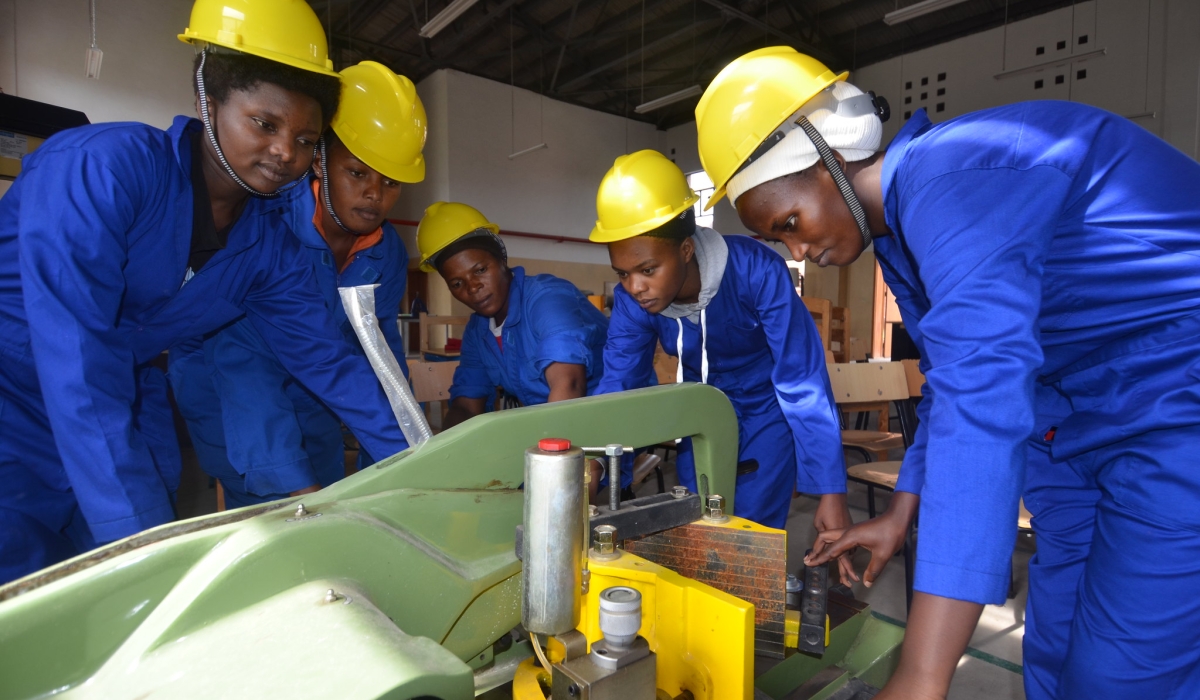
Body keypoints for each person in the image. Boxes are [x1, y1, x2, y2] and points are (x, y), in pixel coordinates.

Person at [697, 46, 1200, 700]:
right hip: (1075, 421)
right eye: (778, 240)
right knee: (1053, 650)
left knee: (1119, 676)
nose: (798, 250)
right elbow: (947, 384)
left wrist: (922, 675)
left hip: (1175, 403)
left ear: (830, 155)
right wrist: (901, 510)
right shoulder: (899, 239)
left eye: (790, 223)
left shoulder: (952, 178)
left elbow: (980, 400)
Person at [0, 0, 409, 585]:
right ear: (208, 101)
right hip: (17, 398)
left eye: (304, 138)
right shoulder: (100, 171)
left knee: (121, 592)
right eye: (264, 124)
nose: (285, 152)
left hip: (125, 394)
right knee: (34, 581)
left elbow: (329, 361)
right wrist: (140, 545)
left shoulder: (269, 247)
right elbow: (77, 358)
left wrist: (418, 462)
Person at [169, 61, 425, 508]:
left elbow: (381, 355)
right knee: (276, 507)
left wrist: (407, 454)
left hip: (320, 389)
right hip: (227, 384)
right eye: (358, 173)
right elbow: (241, 359)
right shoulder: (266, 223)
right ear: (321, 159)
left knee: (336, 498)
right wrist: (289, 478)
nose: (374, 194)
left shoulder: (386, 253)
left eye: (391, 182)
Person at [588, 149, 850, 539]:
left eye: (647, 270)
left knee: (752, 537)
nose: (635, 287)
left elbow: (802, 377)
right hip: (700, 415)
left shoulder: (757, 271)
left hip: (766, 411)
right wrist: (594, 461)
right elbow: (619, 384)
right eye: (622, 274)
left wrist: (832, 490)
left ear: (686, 250)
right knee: (699, 528)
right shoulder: (632, 302)